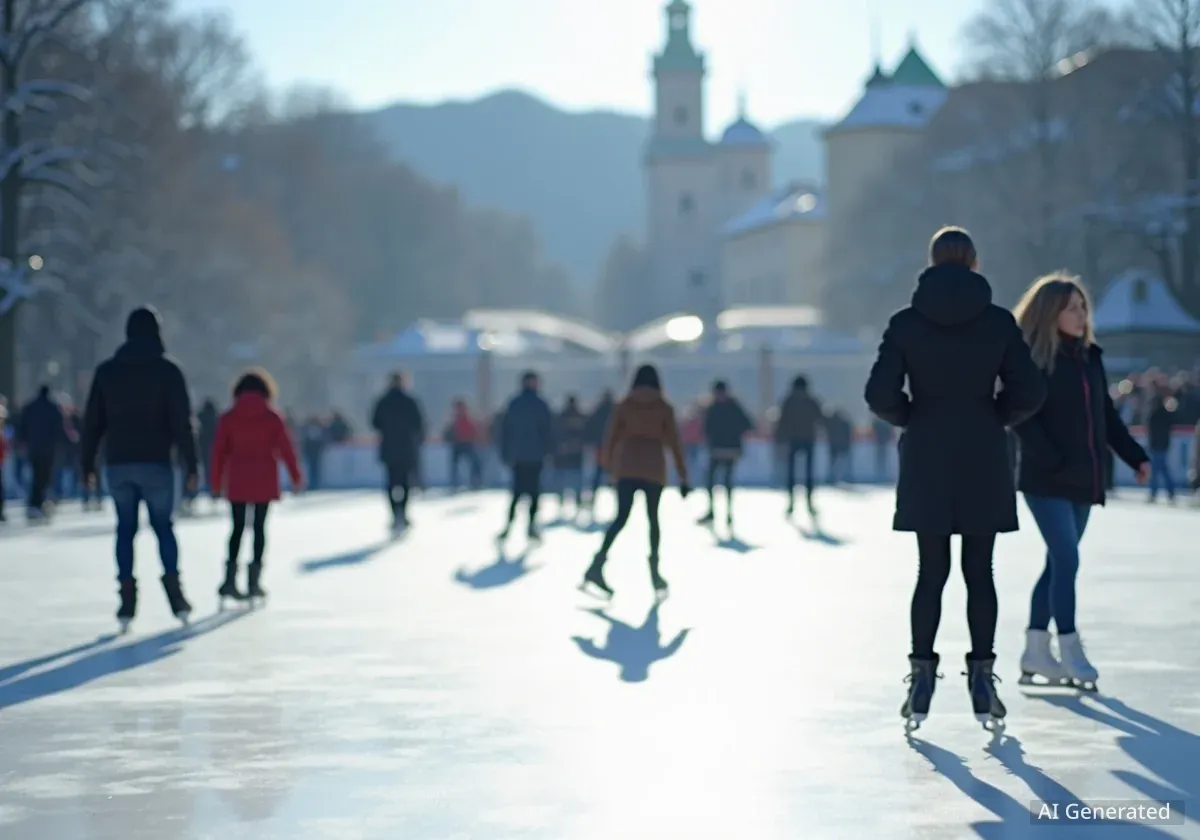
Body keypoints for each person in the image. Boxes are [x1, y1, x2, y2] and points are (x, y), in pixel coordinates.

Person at [864, 226, 1045, 730]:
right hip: (983, 452)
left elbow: (879, 393)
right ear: (974, 263)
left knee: (931, 572)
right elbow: (1030, 388)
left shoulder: (905, 324)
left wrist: (912, 416)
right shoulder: (998, 323)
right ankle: (982, 678)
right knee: (979, 570)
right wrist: (997, 415)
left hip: (927, 453)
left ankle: (922, 677)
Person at [1011, 273, 1150, 691]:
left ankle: (1035, 649)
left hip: (1084, 479)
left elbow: (1105, 415)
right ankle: (1069, 646)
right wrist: (1049, 458)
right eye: (1071, 307)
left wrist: (1135, 456)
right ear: (1049, 312)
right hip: (1045, 478)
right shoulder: (1033, 358)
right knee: (1067, 559)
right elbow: (1022, 417)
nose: (1080, 314)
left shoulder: (1089, 356)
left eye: (1082, 306)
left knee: (1057, 563)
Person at [81, 306, 199, 628]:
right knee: (163, 528)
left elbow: (92, 423)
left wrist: (86, 464)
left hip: (118, 463)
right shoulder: (169, 371)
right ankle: (176, 595)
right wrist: (191, 464)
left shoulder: (107, 372)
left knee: (125, 530)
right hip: (157, 463)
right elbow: (181, 424)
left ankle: (126, 601)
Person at [582, 364, 689, 597]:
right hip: (653, 468)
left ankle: (597, 564)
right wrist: (683, 476)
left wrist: (609, 467)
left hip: (626, 467)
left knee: (620, 518)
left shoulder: (625, 406)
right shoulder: (663, 408)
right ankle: (655, 572)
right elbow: (674, 443)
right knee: (653, 519)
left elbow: (611, 437)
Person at [210, 369, 303, 603]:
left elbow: (219, 452)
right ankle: (254, 582)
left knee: (237, 529)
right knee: (260, 529)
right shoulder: (272, 417)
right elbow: (286, 449)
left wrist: (216, 482)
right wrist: (295, 477)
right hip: (264, 478)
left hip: (238, 479)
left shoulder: (229, 417)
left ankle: (229, 581)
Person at [497, 371, 554, 542]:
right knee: (532, 493)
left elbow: (505, 431)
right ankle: (529, 527)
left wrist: (506, 453)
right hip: (533, 456)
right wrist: (548, 451)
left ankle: (511, 526)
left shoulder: (515, 403)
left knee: (518, 493)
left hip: (520, 456)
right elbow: (548, 431)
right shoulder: (539, 404)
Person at [371, 372, 425, 530]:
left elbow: (375, 422)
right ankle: (403, 512)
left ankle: (395, 513)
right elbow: (419, 424)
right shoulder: (410, 401)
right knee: (405, 483)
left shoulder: (383, 401)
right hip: (406, 448)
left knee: (391, 483)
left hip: (389, 448)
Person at [700, 380, 753, 530]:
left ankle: (726, 512)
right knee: (713, 481)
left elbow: (748, 424)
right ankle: (714, 511)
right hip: (721, 449)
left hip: (727, 450)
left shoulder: (721, 408)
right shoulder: (730, 407)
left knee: (725, 481)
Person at [17, 384, 67, 522]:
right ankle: (41, 503)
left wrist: (23, 442)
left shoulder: (29, 407)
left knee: (35, 476)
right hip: (48, 449)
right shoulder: (53, 408)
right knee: (45, 478)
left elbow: (22, 427)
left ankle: (34, 503)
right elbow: (59, 428)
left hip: (34, 448)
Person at [775, 375, 824, 517]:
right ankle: (809, 503)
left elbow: (781, 421)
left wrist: (780, 440)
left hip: (793, 439)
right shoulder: (811, 400)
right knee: (809, 473)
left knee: (791, 474)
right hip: (808, 439)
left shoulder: (788, 401)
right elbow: (820, 417)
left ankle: (791, 503)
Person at [554, 394, 588, 518]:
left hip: (564, 455)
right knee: (577, 481)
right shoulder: (580, 417)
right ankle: (577, 503)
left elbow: (557, 434)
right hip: (576, 455)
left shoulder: (561, 417)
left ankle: (561, 503)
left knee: (562, 480)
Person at [584, 389, 615, 512]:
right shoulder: (615, 411)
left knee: (598, 475)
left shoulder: (598, 411)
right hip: (613, 449)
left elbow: (589, 427)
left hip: (601, 448)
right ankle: (618, 501)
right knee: (613, 476)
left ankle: (593, 499)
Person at [1145, 383, 1177, 503]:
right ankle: (1169, 491)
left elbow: (1151, 428)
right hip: (1162, 443)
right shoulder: (1165, 413)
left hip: (1157, 444)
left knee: (1157, 470)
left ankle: (1155, 493)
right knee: (1162, 469)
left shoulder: (1155, 414)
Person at [446, 398, 482, 491]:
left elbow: (474, 430)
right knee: (455, 465)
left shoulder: (466, 419)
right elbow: (450, 432)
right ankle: (455, 483)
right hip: (458, 443)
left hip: (468, 443)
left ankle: (475, 481)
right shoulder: (455, 420)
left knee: (475, 463)